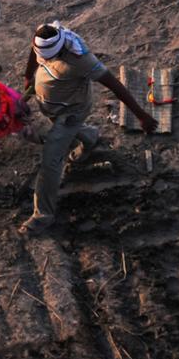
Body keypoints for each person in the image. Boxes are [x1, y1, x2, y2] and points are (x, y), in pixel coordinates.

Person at [20, 21, 157, 235]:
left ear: (60, 49)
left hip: (71, 112)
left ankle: (42, 215)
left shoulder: (81, 59)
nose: (43, 59)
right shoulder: (45, 35)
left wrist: (141, 116)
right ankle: (90, 137)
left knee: (51, 160)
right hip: (54, 108)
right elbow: (33, 50)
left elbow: (115, 86)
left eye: (48, 57)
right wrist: (29, 76)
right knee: (62, 131)